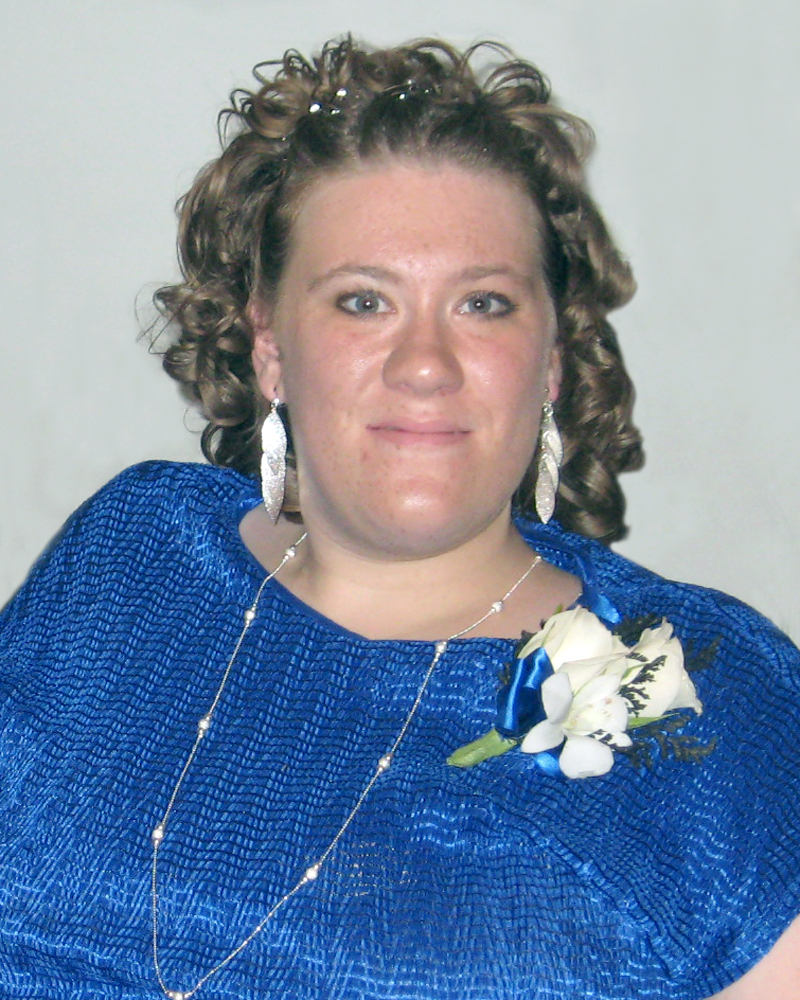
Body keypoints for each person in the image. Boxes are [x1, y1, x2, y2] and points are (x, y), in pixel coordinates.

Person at [0, 36, 798, 1000]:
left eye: (485, 303)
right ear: (270, 349)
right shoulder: (131, 558)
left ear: (551, 359)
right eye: (364, 301)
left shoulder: (716, 695)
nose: (426, 364)